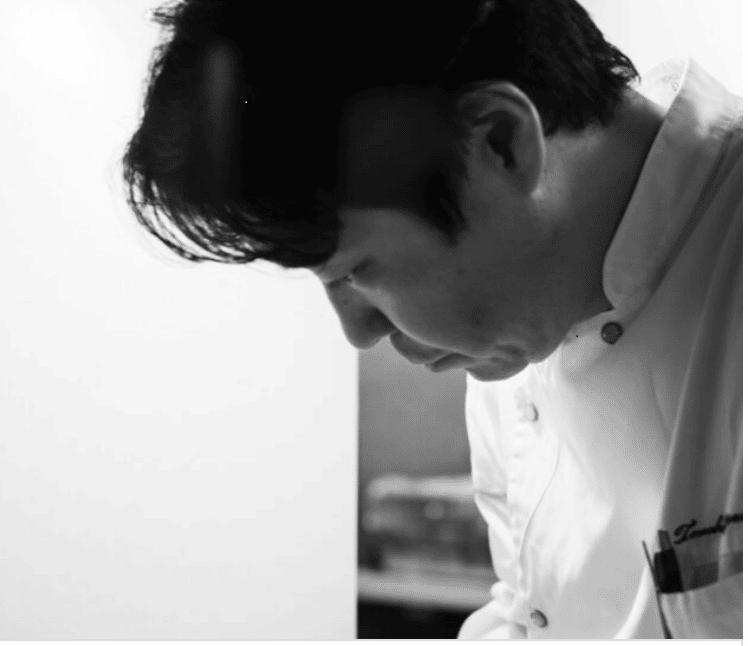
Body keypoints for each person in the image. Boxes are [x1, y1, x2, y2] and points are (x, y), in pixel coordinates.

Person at [120, 0, 742, 638]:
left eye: (358, 270)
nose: (359, 332)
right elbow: (529, 613)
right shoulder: (517, 315)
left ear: (500, 143)